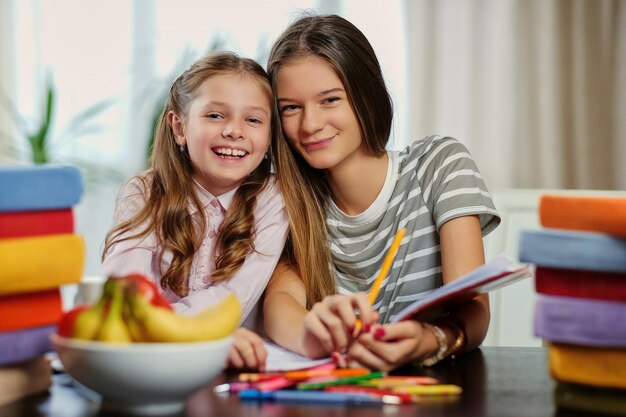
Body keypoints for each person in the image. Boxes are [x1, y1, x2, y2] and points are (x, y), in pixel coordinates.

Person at [263, 14, 500, 371]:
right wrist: (311, 335)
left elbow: (474, 309)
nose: (310, 124)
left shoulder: (439, 165)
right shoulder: (291, 200)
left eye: (329, 100)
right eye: (291, 108)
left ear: (366, 96)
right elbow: (281, 303)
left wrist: (428, 340)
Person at [101, 51, 287, 370]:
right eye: (215, 115)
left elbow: (232, 300)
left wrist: (155, 328)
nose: (234, 130)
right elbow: (122, 291)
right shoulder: (145, 192)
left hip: (227, 372)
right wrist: (168, 334)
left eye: (253, 119)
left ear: (269, 137)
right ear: (179, 127)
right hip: (147, 365)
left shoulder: (273, 199)